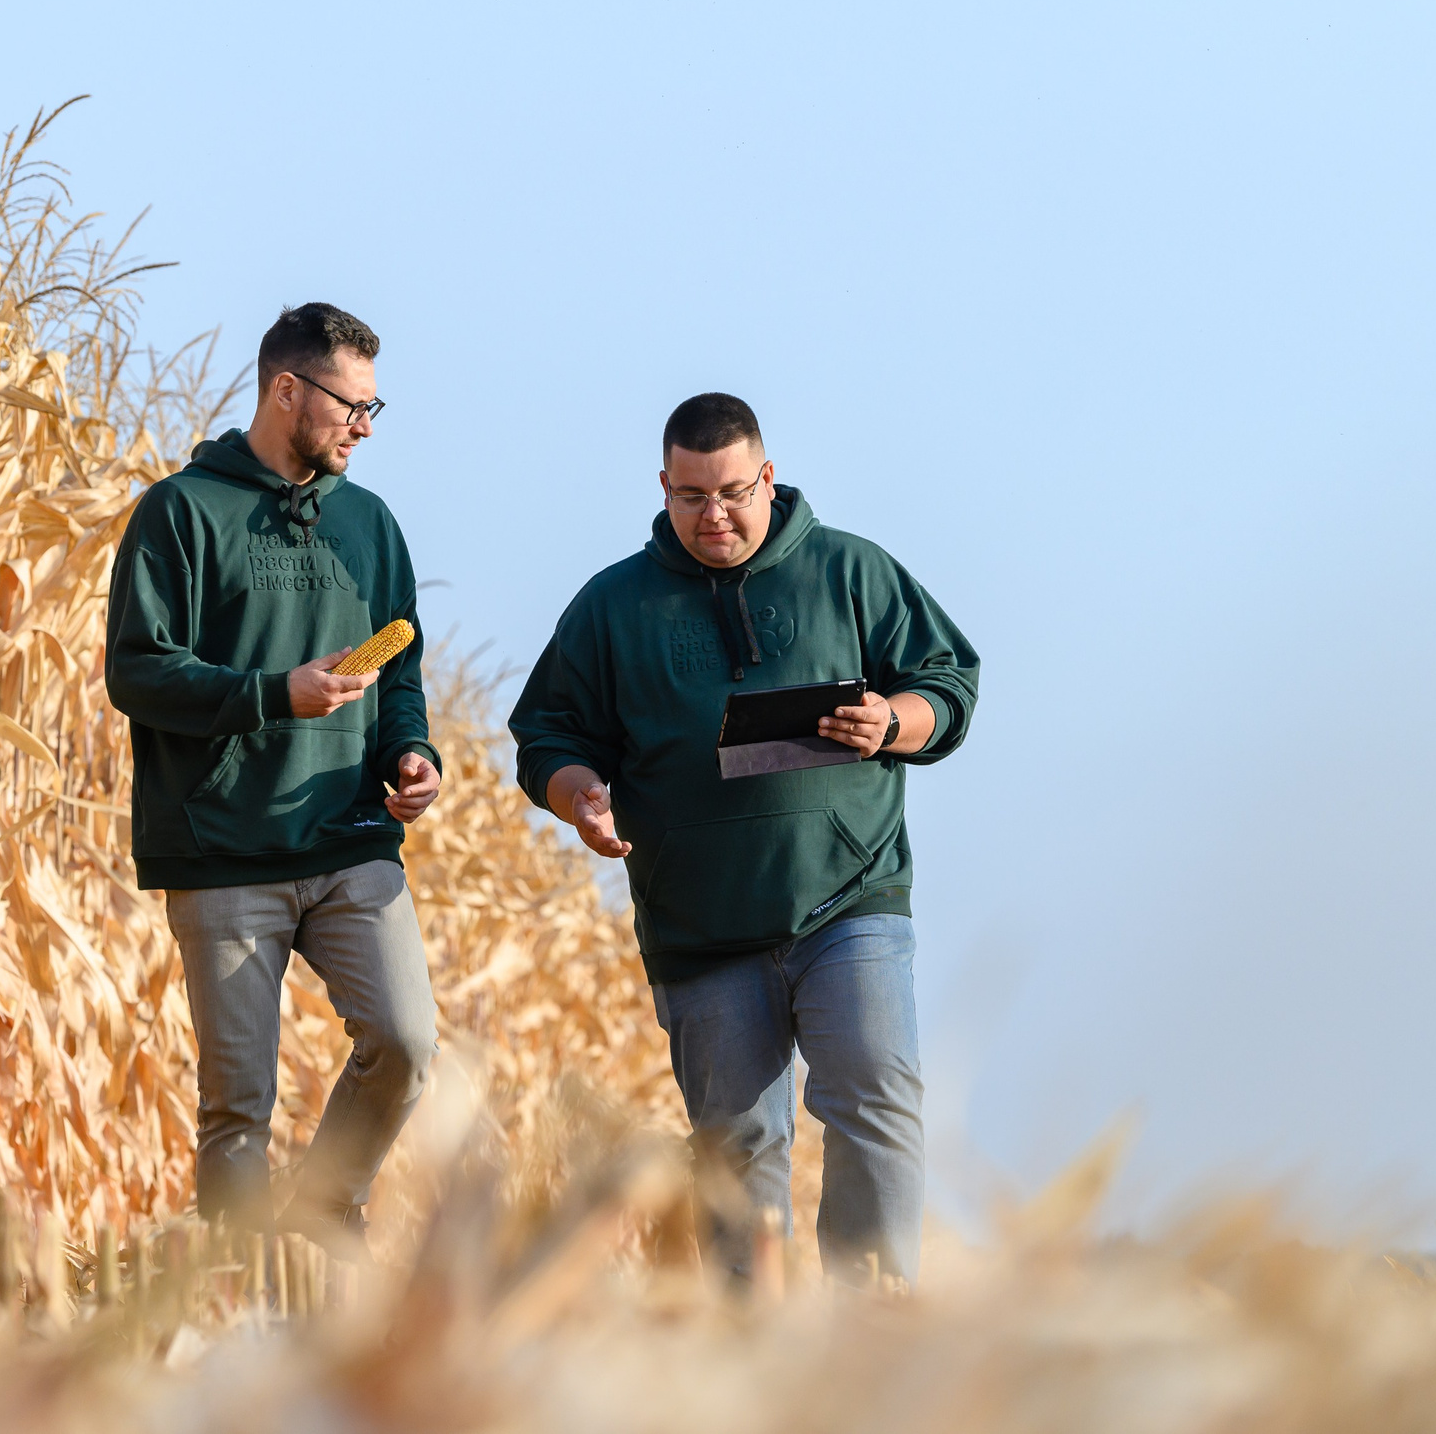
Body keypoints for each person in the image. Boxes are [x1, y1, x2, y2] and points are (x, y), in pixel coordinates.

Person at [507, 392, 978, 1288]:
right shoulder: (613, 606)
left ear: (768, 477)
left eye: (730, 491)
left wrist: (893, 720)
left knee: (877, 1093)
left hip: (851, 899)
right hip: (699, 923)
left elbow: (949, 681)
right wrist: (581, 798)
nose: (712, 515)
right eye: (690, 496)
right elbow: (549, 735)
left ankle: (871, 1321)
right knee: (738, 1143)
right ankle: (749, 1346)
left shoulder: (853, 572)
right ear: (663, 485)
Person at [105, 302, 442, 1254]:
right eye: (352, 405)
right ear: (285, 389)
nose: (364, 427)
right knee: (236, 1112)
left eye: (377, 409)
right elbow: (136, 670)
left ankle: (325, 1211)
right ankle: (236, 1303)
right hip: (222, 851)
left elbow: (400, 674)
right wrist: (272, 696)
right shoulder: (182, 512)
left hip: (349, 840)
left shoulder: (372, 526)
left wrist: (410, 757)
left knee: (407, 1043)